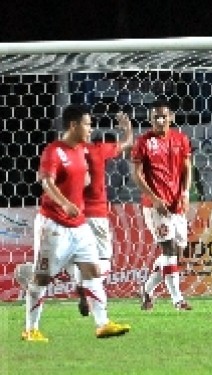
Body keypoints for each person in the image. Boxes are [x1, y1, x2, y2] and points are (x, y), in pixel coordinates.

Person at [22, 104, 131, 342]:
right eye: (87, 124)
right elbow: (46, 183)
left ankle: (102, 324)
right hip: (53, 224)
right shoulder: (54, 151)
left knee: (93, 271)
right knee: (42, 278)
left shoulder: (81, 149)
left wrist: (82, 184)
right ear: (73, 125)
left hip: (79, 225)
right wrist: (64, 203)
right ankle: (30, 329)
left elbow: (84, 175)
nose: (91, 129)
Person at [132, 100, 193, 311]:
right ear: (150, 120)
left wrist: (185, 193)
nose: (160, 120)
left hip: (177, 204)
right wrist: (154, 199)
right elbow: (137, 174)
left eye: (163, 116)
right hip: (155, 206)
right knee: (168, 249)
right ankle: (178, 300)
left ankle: (146, 289)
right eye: (155, 117)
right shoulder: (143, 142)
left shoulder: (181, 139)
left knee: (178, 253)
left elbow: (187, 168)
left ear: (171, 117)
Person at [73, 112, 134, 316]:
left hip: (76, 216)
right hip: (97, 215)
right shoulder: (98, 151)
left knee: (80, 259)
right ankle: (92, 290)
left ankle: (82, 287)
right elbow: (127, 143)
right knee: (104, 259)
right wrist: (127, 128)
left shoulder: (69, 153)